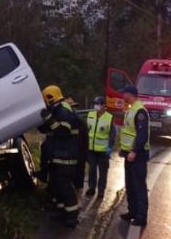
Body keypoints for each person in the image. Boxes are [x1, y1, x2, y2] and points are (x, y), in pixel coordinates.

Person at [38, 85, 81, 228]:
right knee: (57, 186)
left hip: (66, 157)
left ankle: (72, 217)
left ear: (50, 98)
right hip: (58, 157)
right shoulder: (57, 110)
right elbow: (47, 129)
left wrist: (49, 118)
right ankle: (62, 211)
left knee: (65, 188)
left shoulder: (63, 110)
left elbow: (62, 132)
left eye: (45, 100)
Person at [118, 85, 150, 227]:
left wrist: (134, 151)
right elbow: (128, 132)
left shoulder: (140, 111)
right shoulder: (131, 109)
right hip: (129, 154)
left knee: (138, 186)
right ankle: (132, 212)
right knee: (130, 185)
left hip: (138, 155)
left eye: (123, 94)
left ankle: (141, 216)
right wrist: (123, 150)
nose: (122, 96)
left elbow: (142, 135)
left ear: (129, 94)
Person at [86, 96, 116, 198]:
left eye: (98, 104)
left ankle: (101, 190)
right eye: (95, 104)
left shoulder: (109, 117)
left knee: (103, 172)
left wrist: (110, 147)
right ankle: (91, 188)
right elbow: (87, 131)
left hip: (103, 151)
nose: (96, 106)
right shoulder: (90, 115)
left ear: (104, 106)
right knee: (92, 170)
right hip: (92, 149)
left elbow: (112, 134)